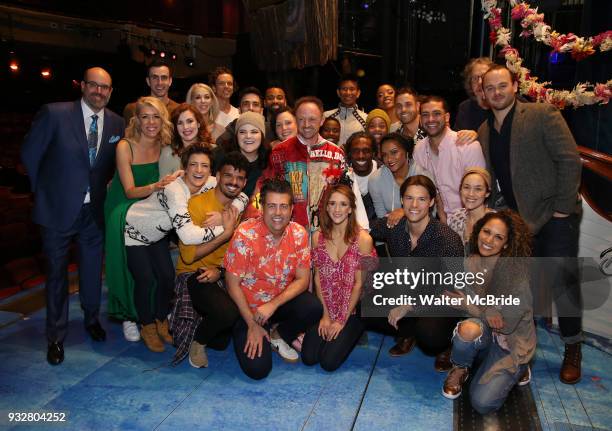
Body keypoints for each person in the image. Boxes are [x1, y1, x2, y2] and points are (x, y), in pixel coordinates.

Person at [479, 64, 582, 384]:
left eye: (501, 86)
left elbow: (569, 160)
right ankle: (522, 350)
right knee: (520, 288)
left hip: (554, 216)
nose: (496, 92)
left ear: (515, 85)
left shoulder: (542, 114)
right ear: (482, 93)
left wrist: (563, 209)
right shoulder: (484, 130)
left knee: (562, 282)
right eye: (489, 88)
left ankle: (573, 349)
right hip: (518, 221)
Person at [21, 67, 125, 365]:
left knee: (92, 272)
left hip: (94, 213)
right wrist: (44, 192)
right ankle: (55, 336)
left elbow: (108, 166)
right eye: (93, 85)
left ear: (111, 91)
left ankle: (92, 320)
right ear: (82, 86)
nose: (99, 91)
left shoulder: (117, 122)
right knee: (56, 277)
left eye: (105, 87)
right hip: (57, 211)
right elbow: (30, 154)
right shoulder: (54, 114)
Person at [124, 146, 247, 352]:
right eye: (193, 165)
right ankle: (147, 326)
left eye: (204, 165)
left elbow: (239, 192)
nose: (199, 170)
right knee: (145, 279)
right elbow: (188, 236)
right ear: (184, 167)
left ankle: (162, 321)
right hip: (135, 229)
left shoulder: (209, 181)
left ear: (211, 171)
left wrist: (233, 210)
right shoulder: (175, 189)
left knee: (165, 277)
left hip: (159, 234)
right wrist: (226, 228)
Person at [225, 178, 323, 379]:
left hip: (278, 307)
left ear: (292, 209)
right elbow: (231, 284)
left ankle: (279, 335)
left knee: (312, 307)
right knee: (258, 370)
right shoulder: (245, 234)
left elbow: (303, 280)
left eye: (283, 206)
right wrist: (252, 324)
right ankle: (255, 331)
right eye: (271, 206)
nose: (278, 213)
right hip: (249, 310)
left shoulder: (299, 234)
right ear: (261, 207)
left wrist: (273, 304)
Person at [442, 210, 535, 415]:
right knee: (467, 329)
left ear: (507, 244)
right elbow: (461, 301)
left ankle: (519, 368)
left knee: (482, 404)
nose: (489, 240)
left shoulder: (517, 276)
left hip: (509, 344)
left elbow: (505, 324)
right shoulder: (470, 262)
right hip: (486, 333)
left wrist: (468, 304)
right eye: (486, 232)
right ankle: (460, 368)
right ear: (478, 232)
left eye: (498, 237)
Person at [368, 175, 464, 369]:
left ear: (430, 202)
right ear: (401, 201)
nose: (414, 204)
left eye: (421, 199)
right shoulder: (394, 227)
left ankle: (448, 343)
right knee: (365, 306)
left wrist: (409, 306)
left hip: (441, 300)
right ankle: (408, 332)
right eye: (409, 198)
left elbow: (450, 289)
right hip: (408, 291)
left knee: (430, 335)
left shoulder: (447, 239)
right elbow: (364, 231)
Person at [104, 96, 177, 343]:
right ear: (136, 119)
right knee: (141, 273)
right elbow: (129, 191)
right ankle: (135, 319)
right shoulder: (125, 146)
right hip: (124, 211)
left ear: (163, 119)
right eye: (145, 116)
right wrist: (157, 186)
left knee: (166, 274)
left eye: (156, 116)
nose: (151, 122)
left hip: (150, 211)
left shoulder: (165, 146)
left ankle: (159, 317)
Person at [245, 96, 369, 232]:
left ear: (322, 120)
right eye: (301, 119)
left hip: (327, 233)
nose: (306, 124)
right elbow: (263, 188)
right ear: (295, 120)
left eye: (312, 119)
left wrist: (361, 227)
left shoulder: (336, 153)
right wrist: (253, 217)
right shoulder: (281, 151)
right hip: (288, 232)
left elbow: (350, 191)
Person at [171, 152, 248, 367]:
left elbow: (238, 253)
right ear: (217, 176)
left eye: (240, 178)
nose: (233, 182)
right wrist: (225, 232)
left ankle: (205, 323)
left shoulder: (238, 209)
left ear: (245, 183)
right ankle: (198, 341)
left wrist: (220, 271)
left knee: (222, 341)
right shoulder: (196, 205)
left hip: (220, 272)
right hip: (193, 273)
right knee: (227, 313)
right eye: (228, 176)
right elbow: (188, 256)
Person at [302, 184, 375, 371]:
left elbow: (360, 285)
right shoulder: (317, 237)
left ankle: (356, 331)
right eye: (332, 203)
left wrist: (341, 320)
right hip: (328, 303)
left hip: (353, 308)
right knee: (309, 357)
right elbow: (318, 278)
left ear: (351, 209)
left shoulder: (364, 240)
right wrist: (325, 316)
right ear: (326, 207)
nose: (337, 209)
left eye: (343, 204)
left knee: (328, 362)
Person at [413, 96, 486, 223]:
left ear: (447, 117)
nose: (430, 119)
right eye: (425, 115)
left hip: (470, 220)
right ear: (420, 119)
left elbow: (479, 192)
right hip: (437, 221)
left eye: (436, 114)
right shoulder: (419, 149)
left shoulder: (468, 146)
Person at [368, 133, 432, 223]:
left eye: (394, 152)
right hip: (391, 230)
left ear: (407, 151)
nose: (389, 159)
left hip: (422, 228)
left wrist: (404, 211)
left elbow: (430, 213)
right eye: (384, 155)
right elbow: (382, 219)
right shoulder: (375, 180)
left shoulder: (424, 176)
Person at [219, 111, 268, 198]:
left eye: (254, 132)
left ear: (262, 135)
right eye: (242, 132)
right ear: (236, 135)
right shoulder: (222, 157)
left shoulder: (269, 162)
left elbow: (263, 199)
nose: (248, 136)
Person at [159, 103, 213, 177]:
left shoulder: (214, 150)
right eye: (180, 123)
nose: (185, 127)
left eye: (190, 121)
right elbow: (163, 187)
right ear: (175, 128)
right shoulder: (168, 153)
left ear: (198, 123)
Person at [447, 168, 494, 249]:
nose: (471, 194)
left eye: (478, 189)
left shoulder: (496, 222)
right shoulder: (456, 217)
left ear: (487, 193)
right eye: (466, 187)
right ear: (460, 190)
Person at [324, 74, 367, 147]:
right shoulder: (326, 116)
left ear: (358, 93)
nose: (348, 93)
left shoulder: (366, 119)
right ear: (338, 92)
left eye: (352, 89)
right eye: (344, 89)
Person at [345, 132, 379, 223]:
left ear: (373, 153)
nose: (361, 156)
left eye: (366, 151)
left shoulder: (384, 174)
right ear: (349, 154)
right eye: (355, 151)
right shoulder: (343, 177)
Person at [454, 57, 493, 132]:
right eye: (475, 78)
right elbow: (458, 136)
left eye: (484, 77)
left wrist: (476, 136)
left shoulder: (500, 103)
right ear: (470, 83)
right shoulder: (465, 107)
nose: (479, 82)